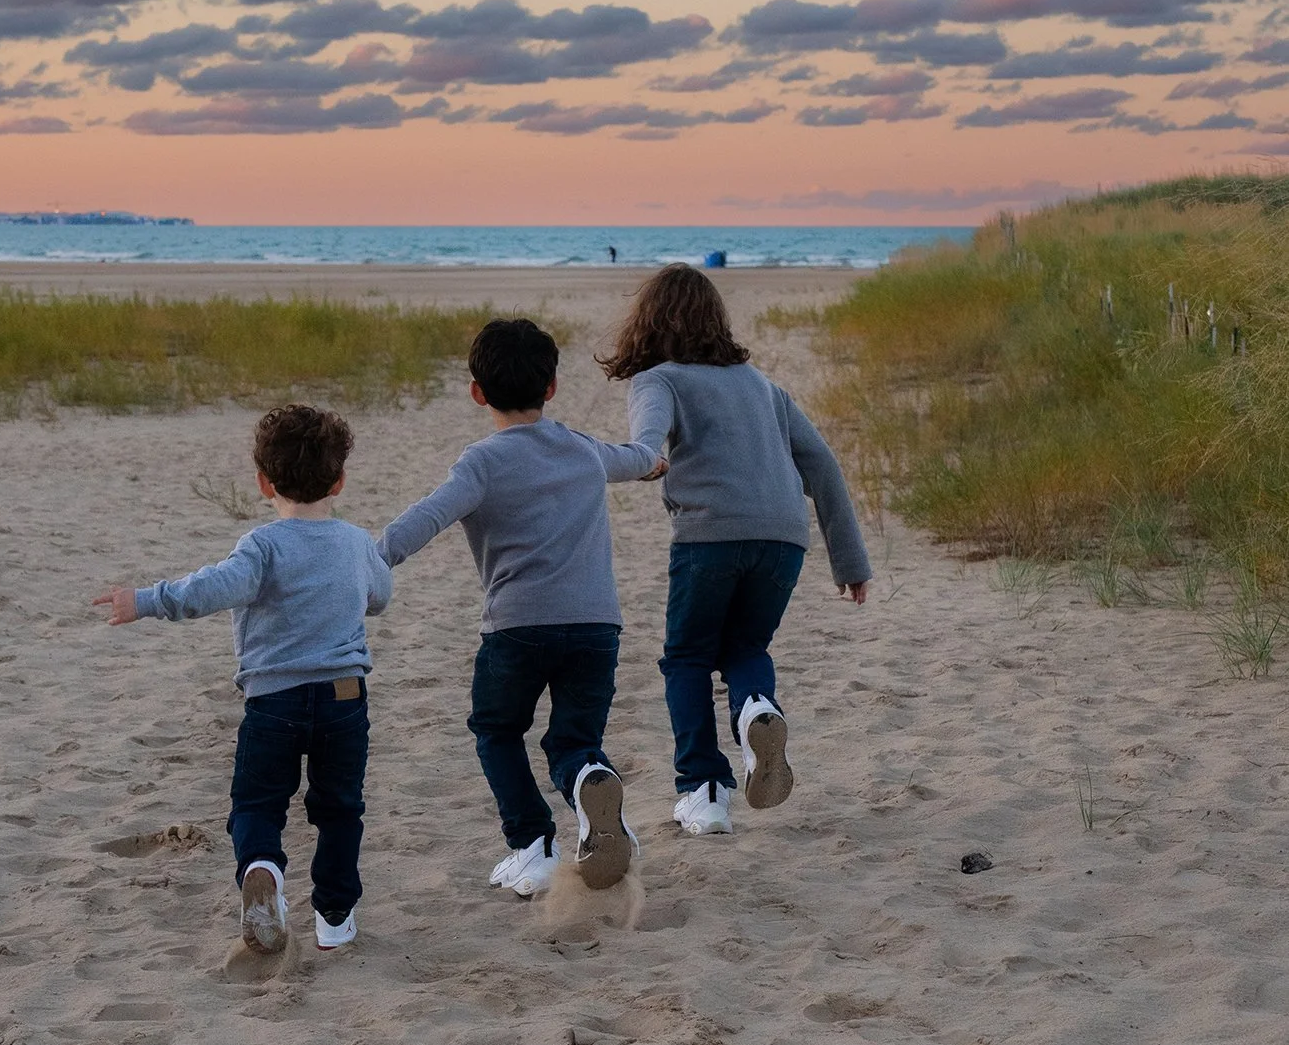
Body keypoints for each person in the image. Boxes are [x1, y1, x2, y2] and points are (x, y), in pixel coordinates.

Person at [378, 318, 664, 898]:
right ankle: (589, 777)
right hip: (595, 626)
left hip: (517, 628)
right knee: (572, 739)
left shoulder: (481, 463)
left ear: (477, 392)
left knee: (497, 728)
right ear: (552, 386)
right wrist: (655, 464)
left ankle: (532, 846)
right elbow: (635, 458)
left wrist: (372, 560)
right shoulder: (584, 450)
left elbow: (427, 517)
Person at [91, 405, 391, 955]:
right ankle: (335, 918)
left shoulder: (262, 545)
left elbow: (210, 589)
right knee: (340, 808)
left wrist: (145, 600)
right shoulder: (356, 542)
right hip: (345, 698)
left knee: (256, 805)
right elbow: (381, 598)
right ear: (341, 480)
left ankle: (263, 872)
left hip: (273, 700)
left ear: (263, 482)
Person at [599, 264, 870, 837]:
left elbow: (648, 443)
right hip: (784, 539)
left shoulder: (658, 379)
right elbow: (821, 463)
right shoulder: (763, 385)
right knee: (746, 646)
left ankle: (703, 791)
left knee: (688, 657)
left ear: (647, 322)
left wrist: (642, 461)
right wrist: (850, 562)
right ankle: (755, 709)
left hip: (710, 536)